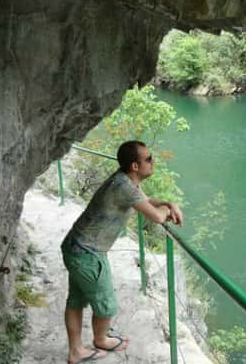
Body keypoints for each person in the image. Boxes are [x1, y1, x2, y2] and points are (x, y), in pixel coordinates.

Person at [61, 140, 184, 363]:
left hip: (76, 246)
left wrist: (168, 202)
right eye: (148, 159)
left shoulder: (125, 180)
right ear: (135, 166)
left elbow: (146, 200)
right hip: (87, 253)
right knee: (107, 305)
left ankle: (76, 350)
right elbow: (156, 216)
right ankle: (99, 340)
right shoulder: (124, 186)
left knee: (76, 300)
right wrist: (168, 210)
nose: (152, 161)